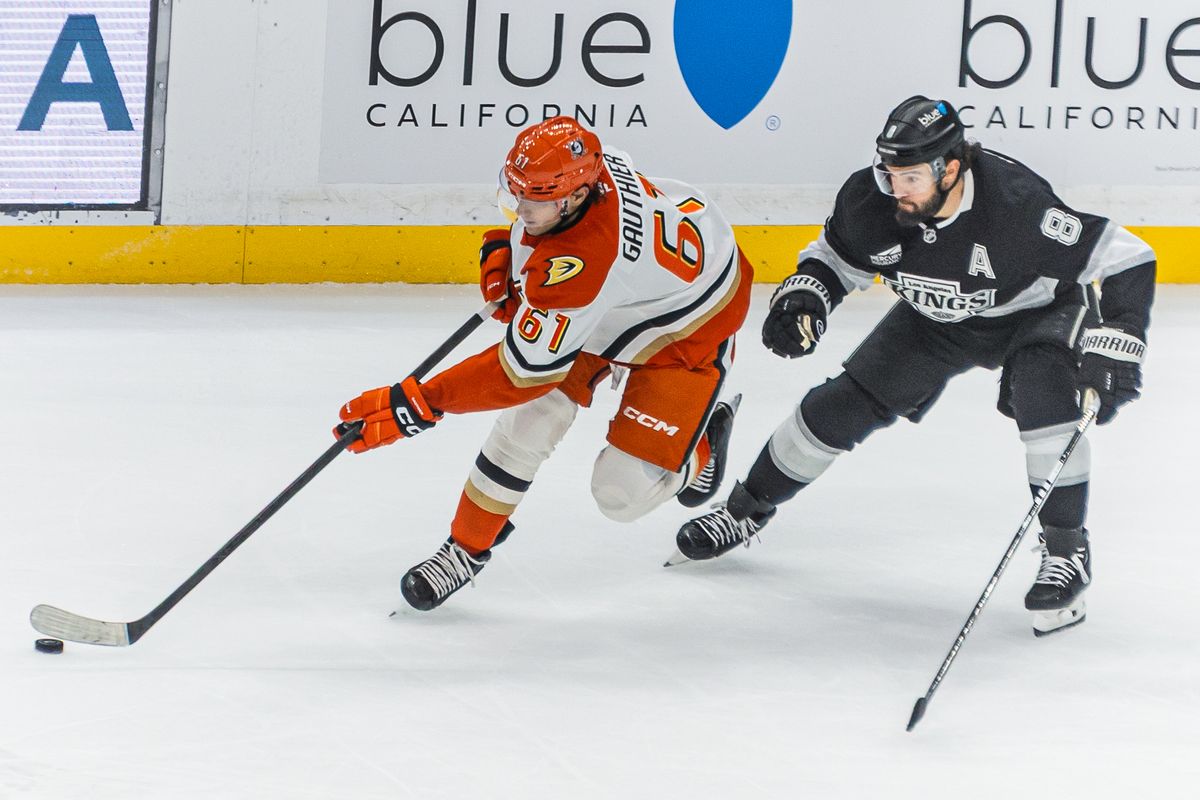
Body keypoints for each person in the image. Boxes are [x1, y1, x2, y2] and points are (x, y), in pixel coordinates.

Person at [674, 96, 1155, 636]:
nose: (895, 191)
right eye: (889, 174)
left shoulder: (1017, 206)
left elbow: (1128, 255)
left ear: (950, 169)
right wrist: (808, 295)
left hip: (1036, 314)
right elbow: (835, 257)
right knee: (837, 408)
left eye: (910, 179)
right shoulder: (871, 199)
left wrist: (1119, 338)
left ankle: (1068, 552)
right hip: (935, 317)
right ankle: (744, 510)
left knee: (1045, 399)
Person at [337, 116, 753, 610]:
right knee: (528, 424)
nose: (517, 209)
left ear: (574, 197)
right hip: (631, 293)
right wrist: (512, 259)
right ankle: (465, 551)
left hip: (686, 330)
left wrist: (423, 401)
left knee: (620, 495)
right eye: (515, 195)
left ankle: (702, 444)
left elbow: (520, 374)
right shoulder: (587, 172)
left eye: (529, 202)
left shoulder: (583, 265)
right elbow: (544, 239)